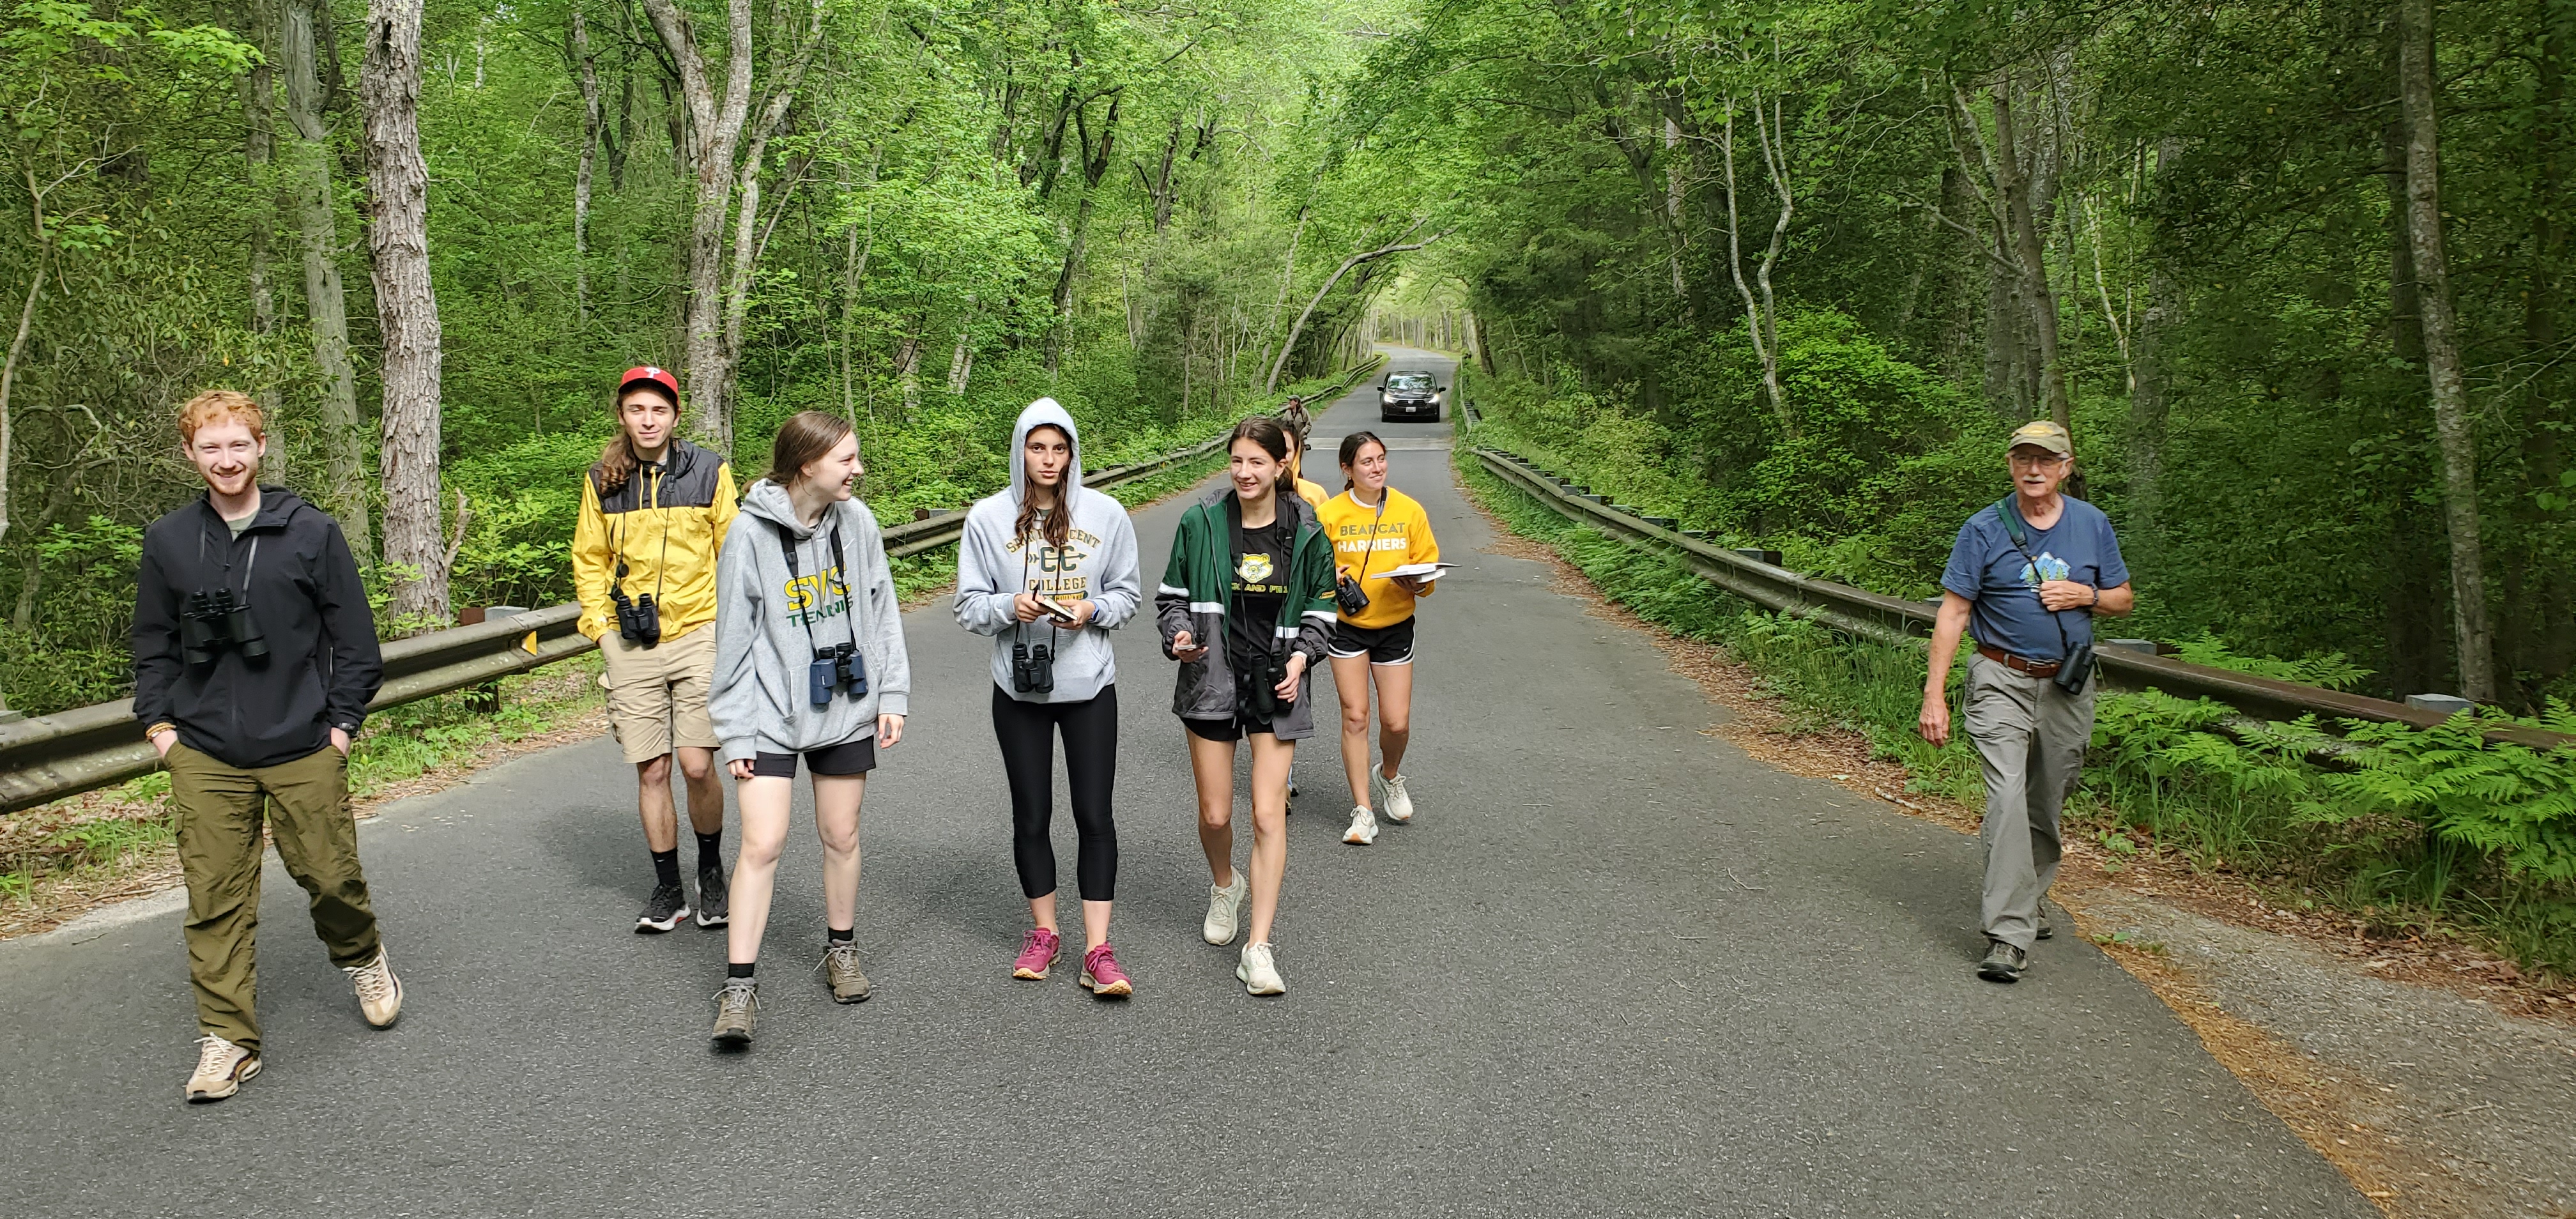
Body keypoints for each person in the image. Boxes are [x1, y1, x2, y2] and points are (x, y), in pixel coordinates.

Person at [133, 390, 397, 1103]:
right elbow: (151, 642)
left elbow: (357, 645)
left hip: (302, 740)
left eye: (238, 445)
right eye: (211, 447)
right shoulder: (168, 541)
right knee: (214, 897)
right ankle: (228, 1040)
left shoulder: (311, 532)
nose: (226, 459)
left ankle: (362, 954)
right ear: (190, 454)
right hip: (205, 752)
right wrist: (161, 729)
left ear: (260, 447)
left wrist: (339, 727)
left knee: (330, 876)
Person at [705, 411, 911, 1047]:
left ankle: (841, 951)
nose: (859, 469)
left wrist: (892, 692)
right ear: (806, 464)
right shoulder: (749, 534)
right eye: (846, 459)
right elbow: (733, 641)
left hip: (845, 703)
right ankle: (739, 987)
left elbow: (882, 611)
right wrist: (735, 732)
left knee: (841, 833)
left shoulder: (860, 522)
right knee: (762, 843)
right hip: (770, 712)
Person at [1919, 420, 2134, 984]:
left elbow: (2123, 598)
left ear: (2066, 467)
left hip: (2066, 685)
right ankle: (2008, 934)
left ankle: (2028, 895)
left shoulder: (2093, 525)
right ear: (2011, 465)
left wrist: (2086, 595)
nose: (2034, 470)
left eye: (2046, 459)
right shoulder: (1984, 529)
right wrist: (1933, 696)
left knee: (2046, 799)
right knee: (2008, 799)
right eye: (2023, 460)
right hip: (1999, 678)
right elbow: (1953, 612)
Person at [956, 400, 1143, 997]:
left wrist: (1091, 610)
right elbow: (968, 605)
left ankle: (1098, 948)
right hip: (1018, 686)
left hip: (1087, 683)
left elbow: (1127, 596)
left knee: (1094, 814)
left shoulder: (1106, 514)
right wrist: (1008, 608)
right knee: (1032, 814)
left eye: (1059, 449)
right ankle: (1044, 933)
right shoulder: (987, 519)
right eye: (1037, 448)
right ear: (1020, 450)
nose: (1048, 460)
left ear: (1072, 452)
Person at [1156, 416, 1338, 996]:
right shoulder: (1200, 523)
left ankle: (1258, 948)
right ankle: (1224, 884)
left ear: (1282, 465)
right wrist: (1179, 637)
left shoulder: (1308, 532)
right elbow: (1172, 600)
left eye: (1257, 462)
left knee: (1266, 814)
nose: (1245, 472)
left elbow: (1322, 613)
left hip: (1275, 683)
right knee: (1215, 815)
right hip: (1210, 679)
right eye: (1236, 461)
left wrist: (1302, 659)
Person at [571, 366, 739, 934]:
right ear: (622, 415)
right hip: (632, 640)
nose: (648, 420)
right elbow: (589, 560)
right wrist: (600, 629)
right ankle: (668, 887)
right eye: (637, 410)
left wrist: (734, 628)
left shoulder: (710, 470)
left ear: (675, 414)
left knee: (696, 765)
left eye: (659, 410)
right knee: (652, 770)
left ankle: (711, 871)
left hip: (699, 632)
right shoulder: (603, 480)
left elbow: (733, 552)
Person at [1314, 431, 1439, 846]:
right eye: (1366, 462)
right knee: (1355, 717)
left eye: (1381, 459)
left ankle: (1388, 775)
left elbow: (1428, 570)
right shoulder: (1330, 515)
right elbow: (1310, 570)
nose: (1377, 468)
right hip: (1346, 625)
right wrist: (1328, 577)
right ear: (1347, 470)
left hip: (1395, 625)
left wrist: (1417, 583)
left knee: (1396, 722)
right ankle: (1363, 810)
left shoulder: (1409, 510)